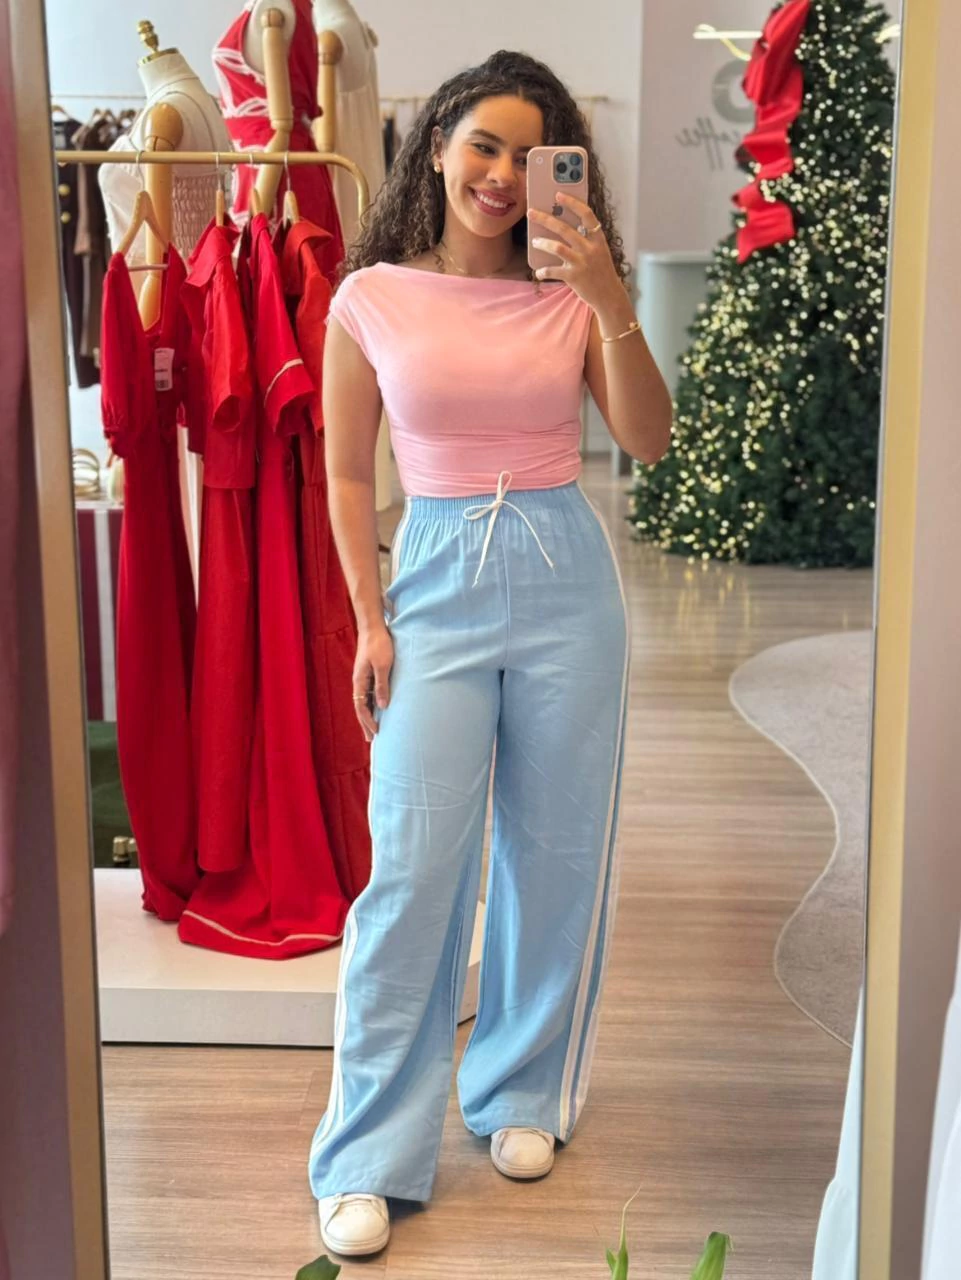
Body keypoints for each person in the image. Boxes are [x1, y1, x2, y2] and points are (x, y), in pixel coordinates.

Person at [308, 49, 672, 1259]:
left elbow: (648, 439)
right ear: (436, 146)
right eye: (484, 145)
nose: (504, 175)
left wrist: (609, 294)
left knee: (555, 852)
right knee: (413, 865)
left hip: (568, 582)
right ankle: (367, 1148)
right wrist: (369, 617)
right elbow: (347, 473)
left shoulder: (572, 294)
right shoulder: (370, 296)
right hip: (433, 580)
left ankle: (520, 1086)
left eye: (530, 154)